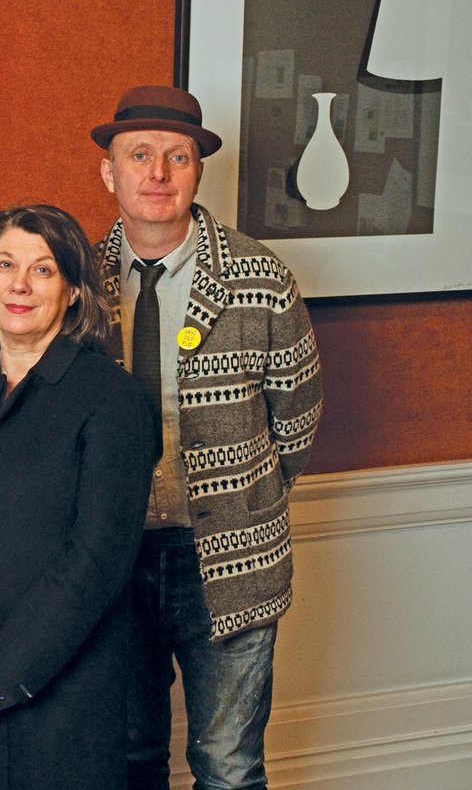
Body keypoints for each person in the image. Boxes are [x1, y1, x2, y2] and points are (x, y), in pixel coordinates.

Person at [91, 85, 324, 789]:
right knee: (126, 758)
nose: (157, 173)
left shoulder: (261, 279)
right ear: (109, 172)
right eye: (139, 155)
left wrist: (239, 495)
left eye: (177, 156)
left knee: (228, 765)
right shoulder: (75, 281)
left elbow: (298, 417)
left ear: (197, 171)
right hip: (110, 560)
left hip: (229, 557)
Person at [0, 204, 158, 788]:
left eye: (42, 270)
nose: (19, 284)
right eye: (5, 265)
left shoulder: (112, 399)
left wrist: (2, 676)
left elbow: (96, 560)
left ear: (73, 291)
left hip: (66, 705)